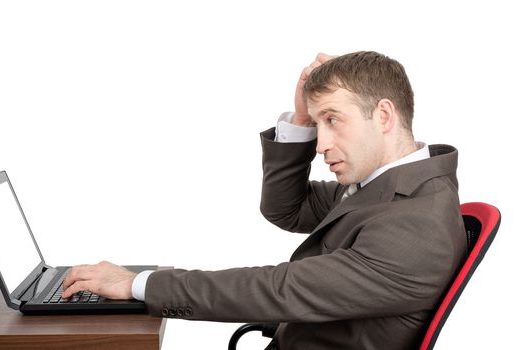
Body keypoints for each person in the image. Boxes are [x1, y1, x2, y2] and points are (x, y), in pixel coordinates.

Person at [62, 51, 466, 349]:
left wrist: (137, 284)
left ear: (383, 115)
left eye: (333, 120)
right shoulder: (388, 188)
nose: (321, 144)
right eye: (318, 124)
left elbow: (278, 289)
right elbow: (286, 209)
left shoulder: (415, 224)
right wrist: (302, 121)